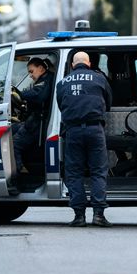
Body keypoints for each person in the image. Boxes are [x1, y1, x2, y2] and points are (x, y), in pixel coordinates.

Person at [54, 51, 113, 227]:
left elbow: (60, 105)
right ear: (88, 64)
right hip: (95, 129)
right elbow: (108, 103)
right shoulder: (99, 78)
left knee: (74, 173)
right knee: (98, 171)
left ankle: (79, 216)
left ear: (72, 65)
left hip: (72, 131)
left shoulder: (62, 83)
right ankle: (98, 215)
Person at [10, 57, 54, 194]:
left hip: (37, 125)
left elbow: (38, 95)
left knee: (13, 144)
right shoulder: (44, 79)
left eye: (31, 71)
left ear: (41, 68)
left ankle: (16, 179)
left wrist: (20, 94)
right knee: (9, 129)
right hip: (34, 122)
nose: (30, 75)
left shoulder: (45, 80)